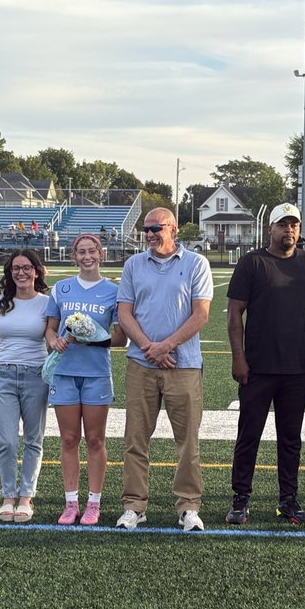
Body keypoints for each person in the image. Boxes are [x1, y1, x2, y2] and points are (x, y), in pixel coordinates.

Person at [224, 203, 305, 525]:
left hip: (295, 367)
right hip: (256, 367)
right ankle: (240, 499)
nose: (289, 230)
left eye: (294, 224)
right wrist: (239, 358)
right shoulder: (252, 262)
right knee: (248, 435)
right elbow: (233, 314)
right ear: (270, 228)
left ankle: (288, 500)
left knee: (290, 439)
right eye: (283, 224)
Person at [115, 208, 212, 531]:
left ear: (173, 229)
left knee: (187, 442)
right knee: (135, 439)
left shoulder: (196, 263)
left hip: (183, 365)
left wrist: (165, 346)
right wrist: (149, 347)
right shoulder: (133, 265)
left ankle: (188, 506)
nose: (150, 234)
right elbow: (125, 314)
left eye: (156, 228)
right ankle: (134, 506)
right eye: (146, 229)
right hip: (141, 364)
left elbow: (200, 315)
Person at [45, 234, 126, 526]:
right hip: (64, 372)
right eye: (82, 252)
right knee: (68, 439)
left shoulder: (113, 291)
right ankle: (70, 503)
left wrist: (93, 337)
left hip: (96, 373)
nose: (87, 256)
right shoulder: (61, 288)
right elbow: (50, 329)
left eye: (92, 251)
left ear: (101, 254)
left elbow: (120, 337)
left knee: (95, 439)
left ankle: (94, 503)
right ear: (74, 256)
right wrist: (54, 341)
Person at [0, 250, 51, 523]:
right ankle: (8, 496)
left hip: (36, 374)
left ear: (36, 271)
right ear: (9, 272)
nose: (21, 273)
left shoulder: (47, 303)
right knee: (7, 441)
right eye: (15, 268)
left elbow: (51, 338)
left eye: (26, 268)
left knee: (33, 440)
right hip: (3, 375)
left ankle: (26, 497)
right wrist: (4, 360)